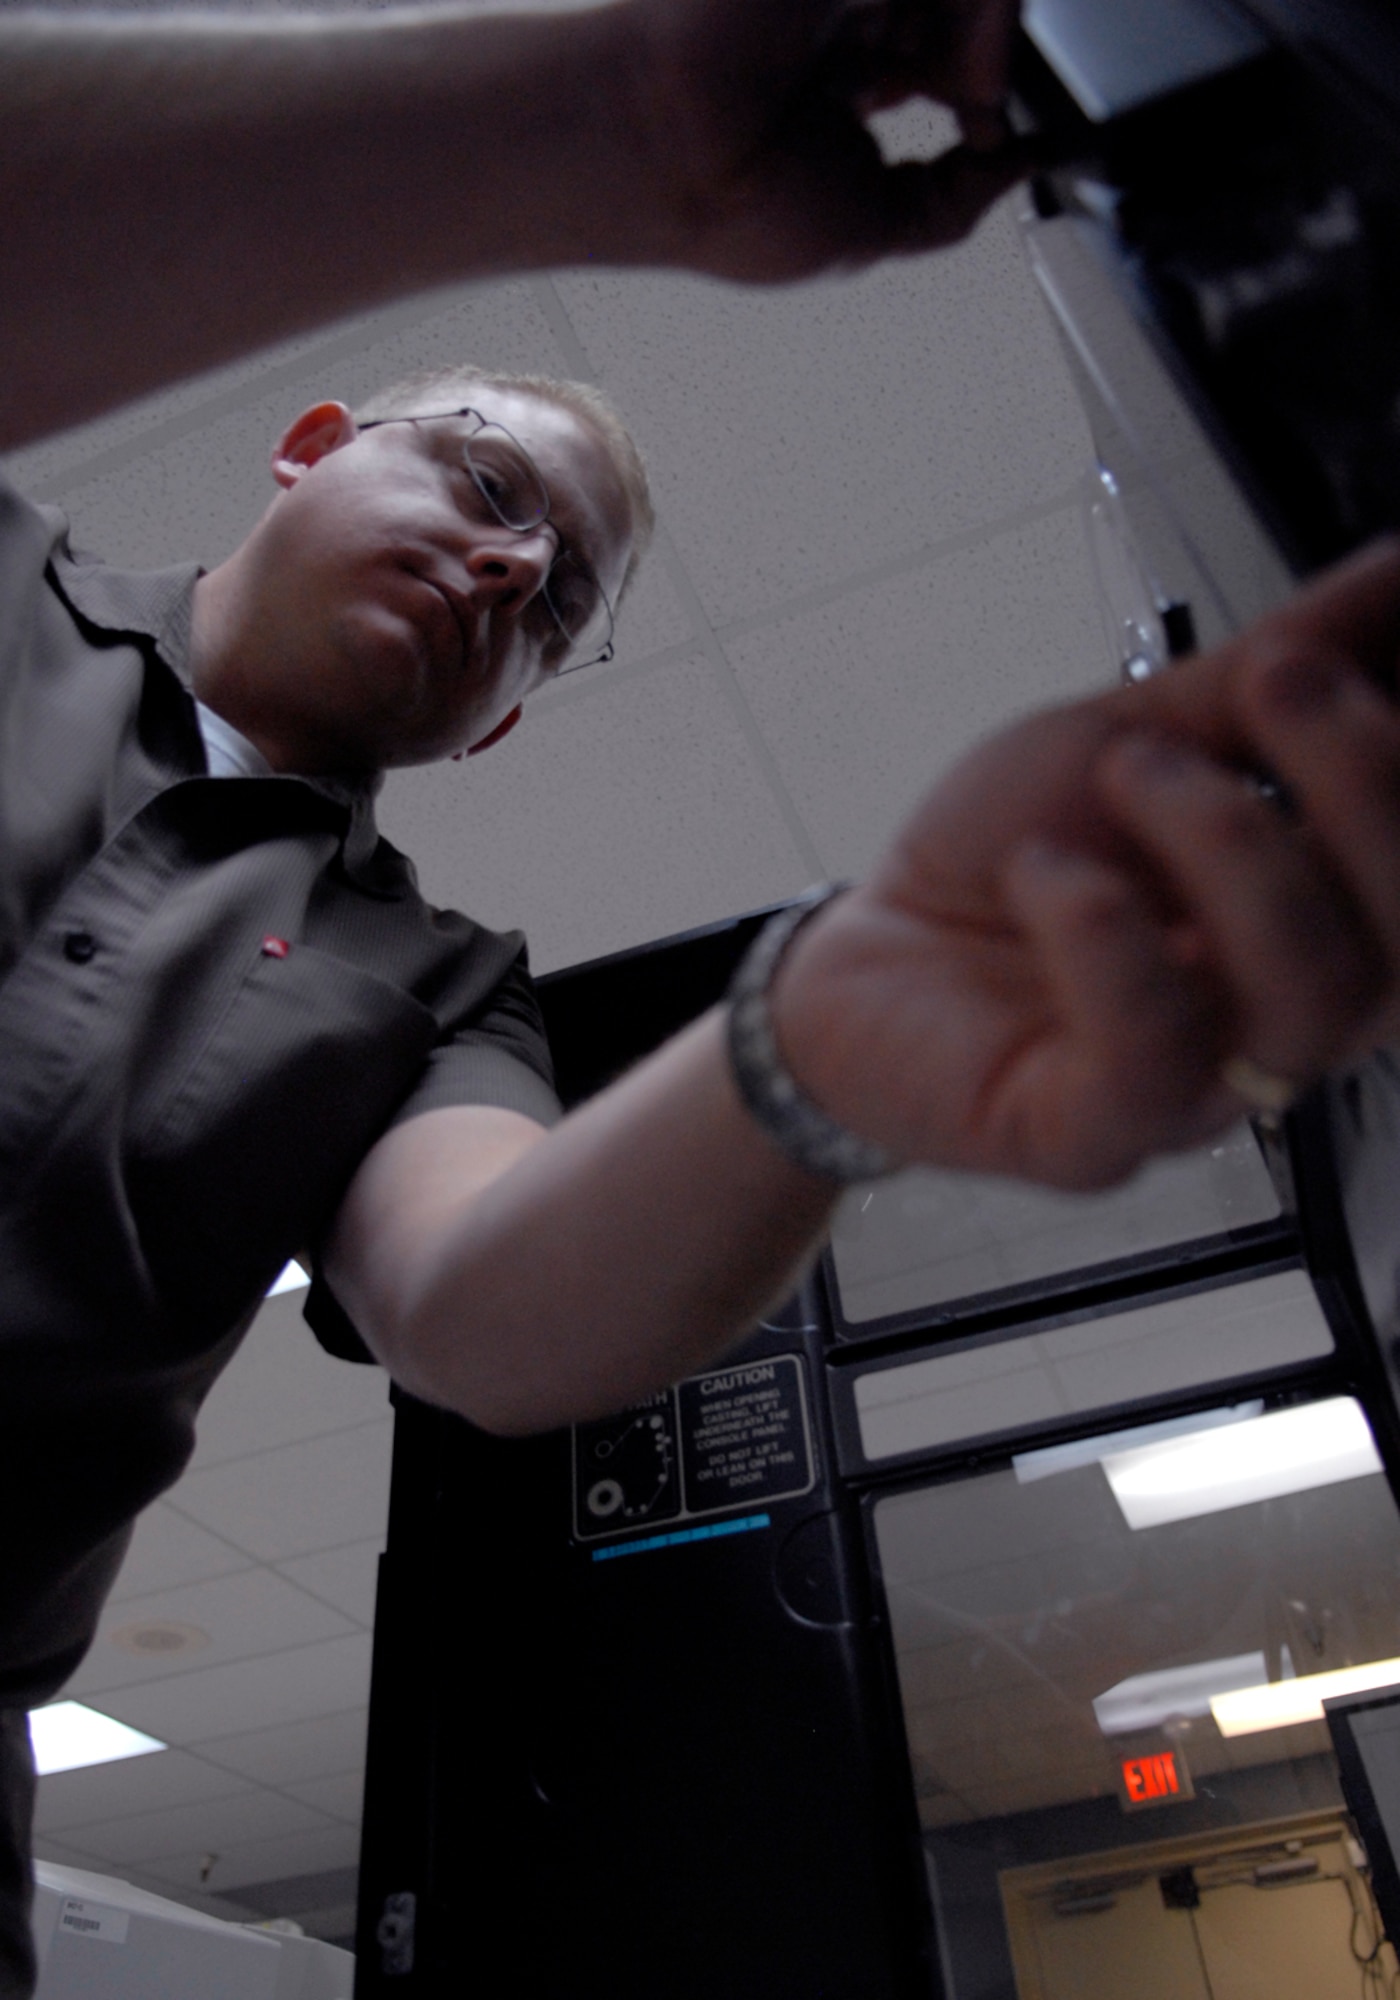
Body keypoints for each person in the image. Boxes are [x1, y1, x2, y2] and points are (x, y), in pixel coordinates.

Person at [3, 1, 1400, 1993]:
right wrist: (621, 112)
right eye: (483, 479)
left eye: (556, 595)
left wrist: (813, 1033)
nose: (506, 567)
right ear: (308, 449)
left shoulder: (435, 993)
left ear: (500, 730)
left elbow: (488, 1312)